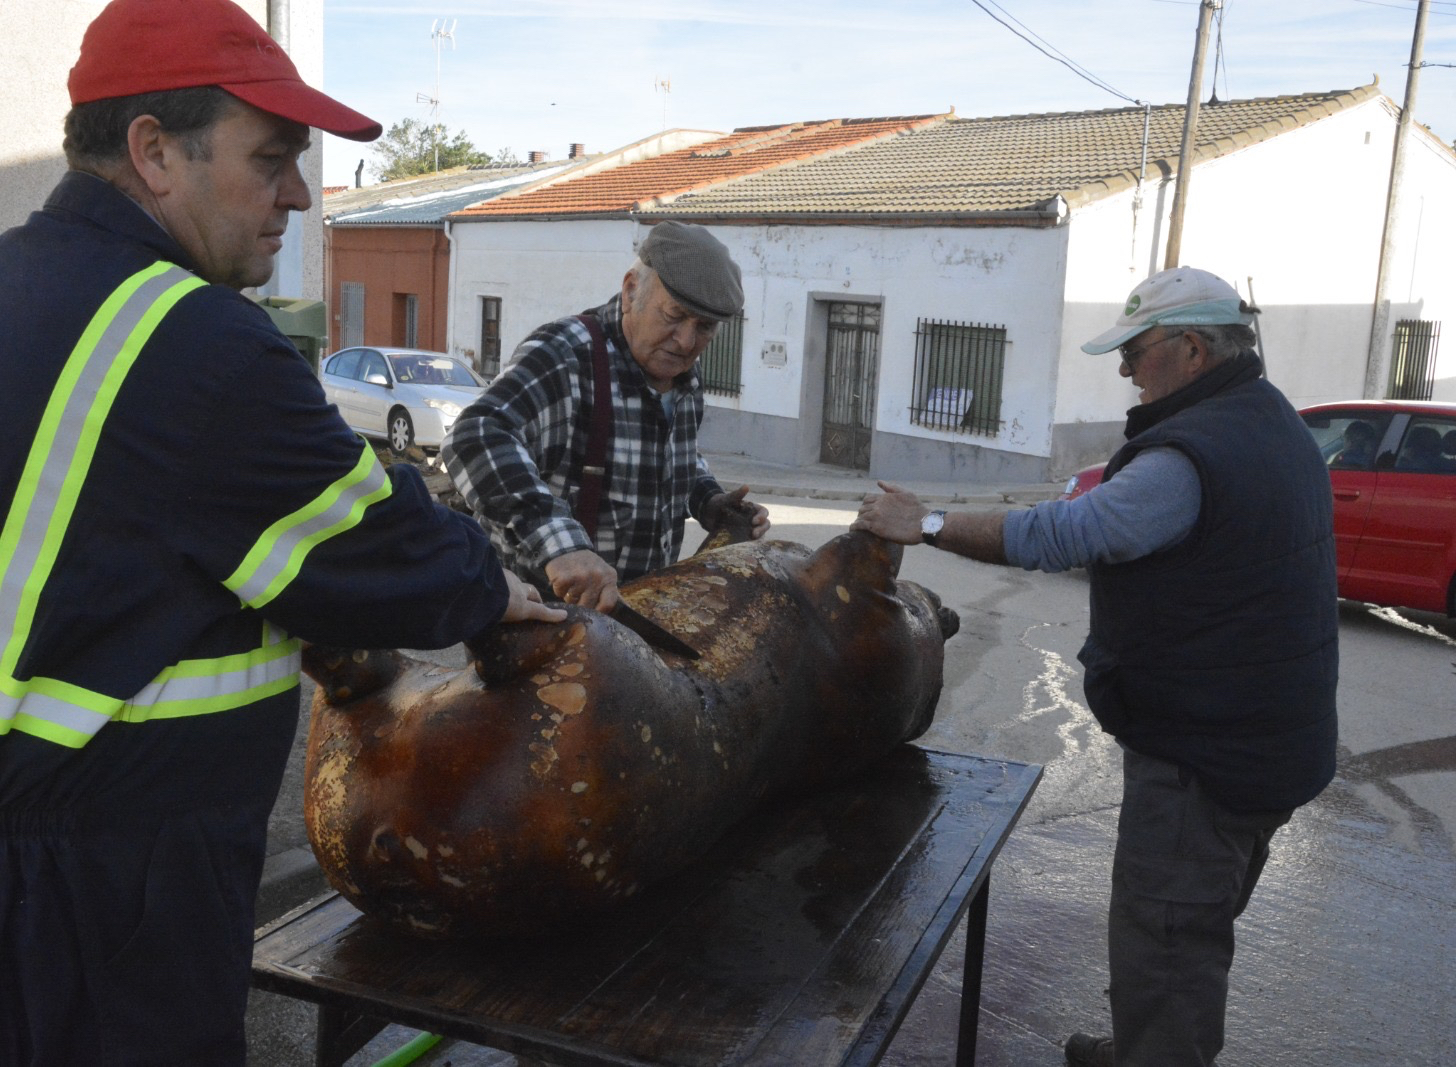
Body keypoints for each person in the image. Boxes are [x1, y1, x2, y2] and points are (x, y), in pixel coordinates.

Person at [0, 2, 562, 1064]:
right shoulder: (191, 339)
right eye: (271, 157)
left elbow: (108, 552)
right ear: (152, 151)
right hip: (81, 910)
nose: (298, 195)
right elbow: (385, 550)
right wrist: (502, 589)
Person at [852, 267, 1338, 1067]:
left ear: (1189, 349)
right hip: (1278, 741)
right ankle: (1144, 1038)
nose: (1124, 370)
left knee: (1169, 930)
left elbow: (1063, 535)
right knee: (1187, 927)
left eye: (1137, 351)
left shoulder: (1191, 457)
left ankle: (1159, 1051)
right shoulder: (1268, 417)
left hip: (1207, 757)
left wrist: (926, 521)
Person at [442, 221, 771, 613]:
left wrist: (707, 499)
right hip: (539, 624)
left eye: (704, 327)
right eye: (674, 315)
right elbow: (475, 436)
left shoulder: (682, 376)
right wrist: (561, 546)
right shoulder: (567, 356)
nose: (686, 341)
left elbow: (668, 455)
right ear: (632, 290)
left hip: (635, 623)